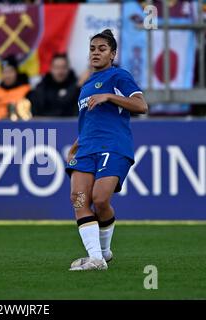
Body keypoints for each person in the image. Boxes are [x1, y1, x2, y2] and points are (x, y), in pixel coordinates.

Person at [66, 29, 148, 271]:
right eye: (92, 49)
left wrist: (109, 97)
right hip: (86, 149)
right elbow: (91, 122)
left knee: (100, 200)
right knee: (79, 199)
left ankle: (103, 252)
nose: (95, 53)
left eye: (102, 49)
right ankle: (97, 259)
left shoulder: (119, 76)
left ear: (112, 54)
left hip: (113, 146)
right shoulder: (86, 86)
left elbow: (141, 105)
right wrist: (75, 145)